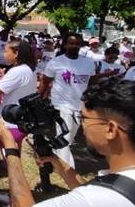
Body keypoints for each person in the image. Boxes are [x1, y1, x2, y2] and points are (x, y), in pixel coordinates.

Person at [0, 79, 135, 207]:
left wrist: (11, 150)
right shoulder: (124, 184)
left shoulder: (94, 201)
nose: (83, 126)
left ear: (110, 129)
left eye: (84, 118)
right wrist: (59, 165)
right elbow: (96, 191)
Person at [0, 40, 38, 207]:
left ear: (16, 53)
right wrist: (2, 76)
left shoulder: (17, 71)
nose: (3, 54)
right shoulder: (26, 70)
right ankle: (11, 195)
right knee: (10, 162)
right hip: (17, 122)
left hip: (12, 126)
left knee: (12, 165)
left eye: (6, 51)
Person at [38, 33, 97, 168]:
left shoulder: (88, 62)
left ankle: (52, 158)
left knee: (69, 138)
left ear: (81, 45)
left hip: (79, 106)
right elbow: (45, 82)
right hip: (61, 105)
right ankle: (69, 171)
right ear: (64, 45)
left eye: (77, 44)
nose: (73, 46)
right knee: (64, 137)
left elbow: (93, 83)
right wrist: (38, 98)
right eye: (70, 43)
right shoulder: (56, 62)